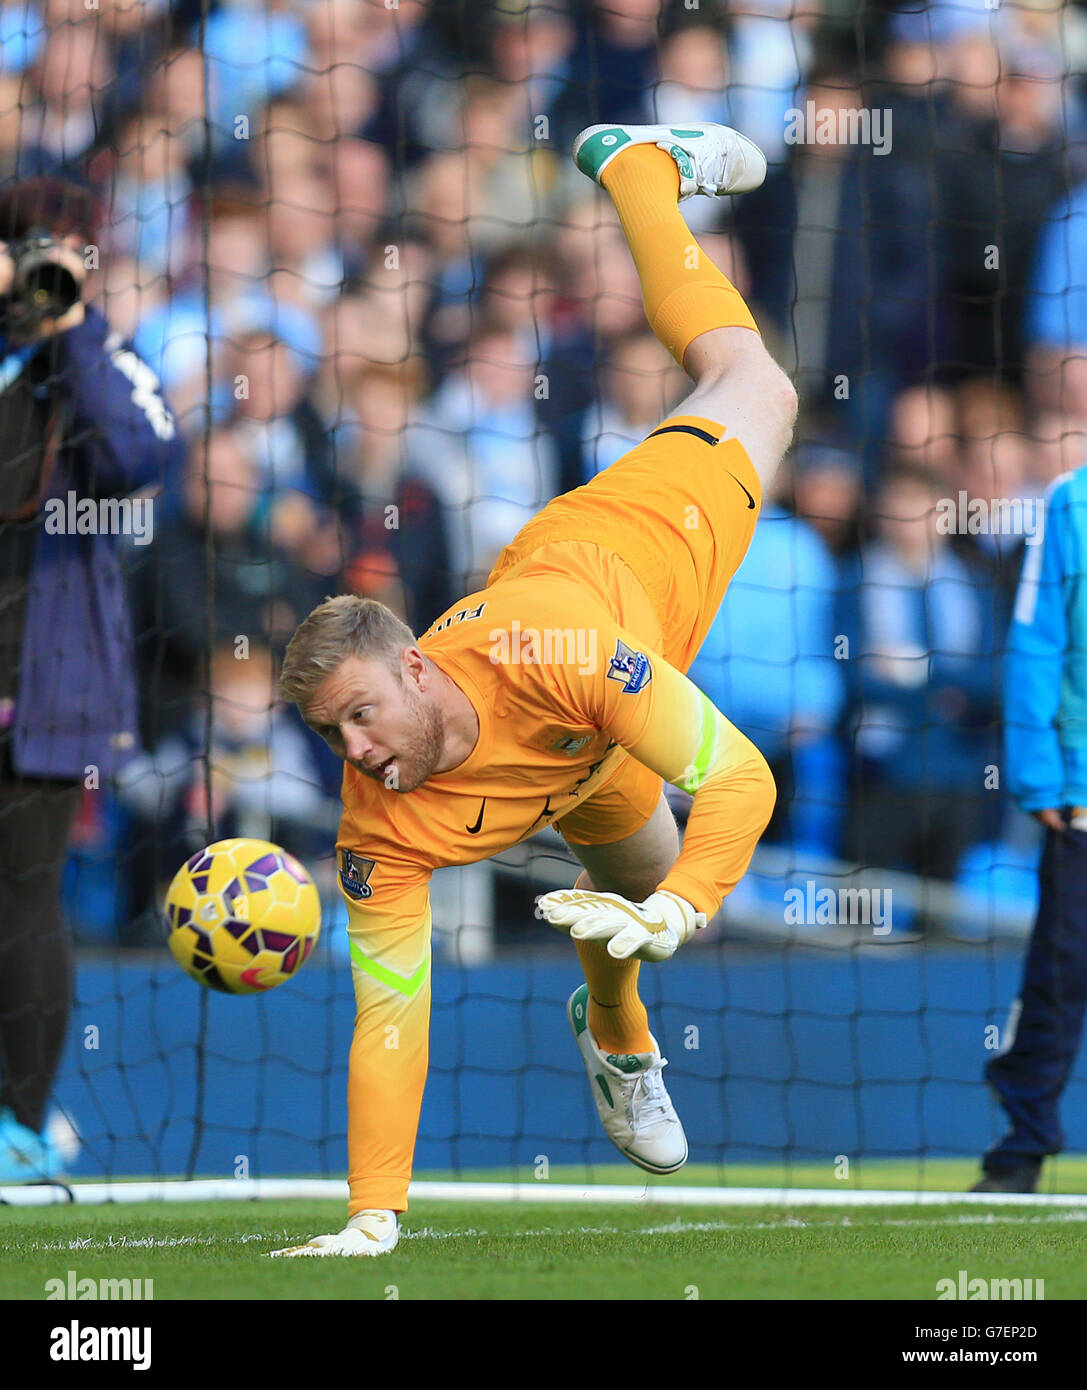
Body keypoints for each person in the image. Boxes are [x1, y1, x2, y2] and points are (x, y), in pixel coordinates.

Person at [271, 120, 796, 1258]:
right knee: (633, 889)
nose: (354, 748)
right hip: (576, 753)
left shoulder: (554, 655)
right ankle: (616, 1033)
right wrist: (373, 1213)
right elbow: (391, 1014)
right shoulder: (378, 823)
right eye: (330, 731)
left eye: (360, 713)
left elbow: (743, 776)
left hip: (644, 544)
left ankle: (637, 167)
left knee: (752, 376)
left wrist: (685, 905)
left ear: (413, 667)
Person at [0, 176, 183, 1179]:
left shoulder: (94, 360)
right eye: (25, 245)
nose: (42, 261)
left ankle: (20, 1126)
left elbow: (139, 454)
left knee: (23, 896)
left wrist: (69, 327)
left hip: (45, 676)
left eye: (61, 246)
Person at [971, 461, 1087, 1193]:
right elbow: (1036, 636)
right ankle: (1022, 1145)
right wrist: (1038, 771)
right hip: (1082, 795)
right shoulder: (1071, 501)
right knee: (1059, 973)